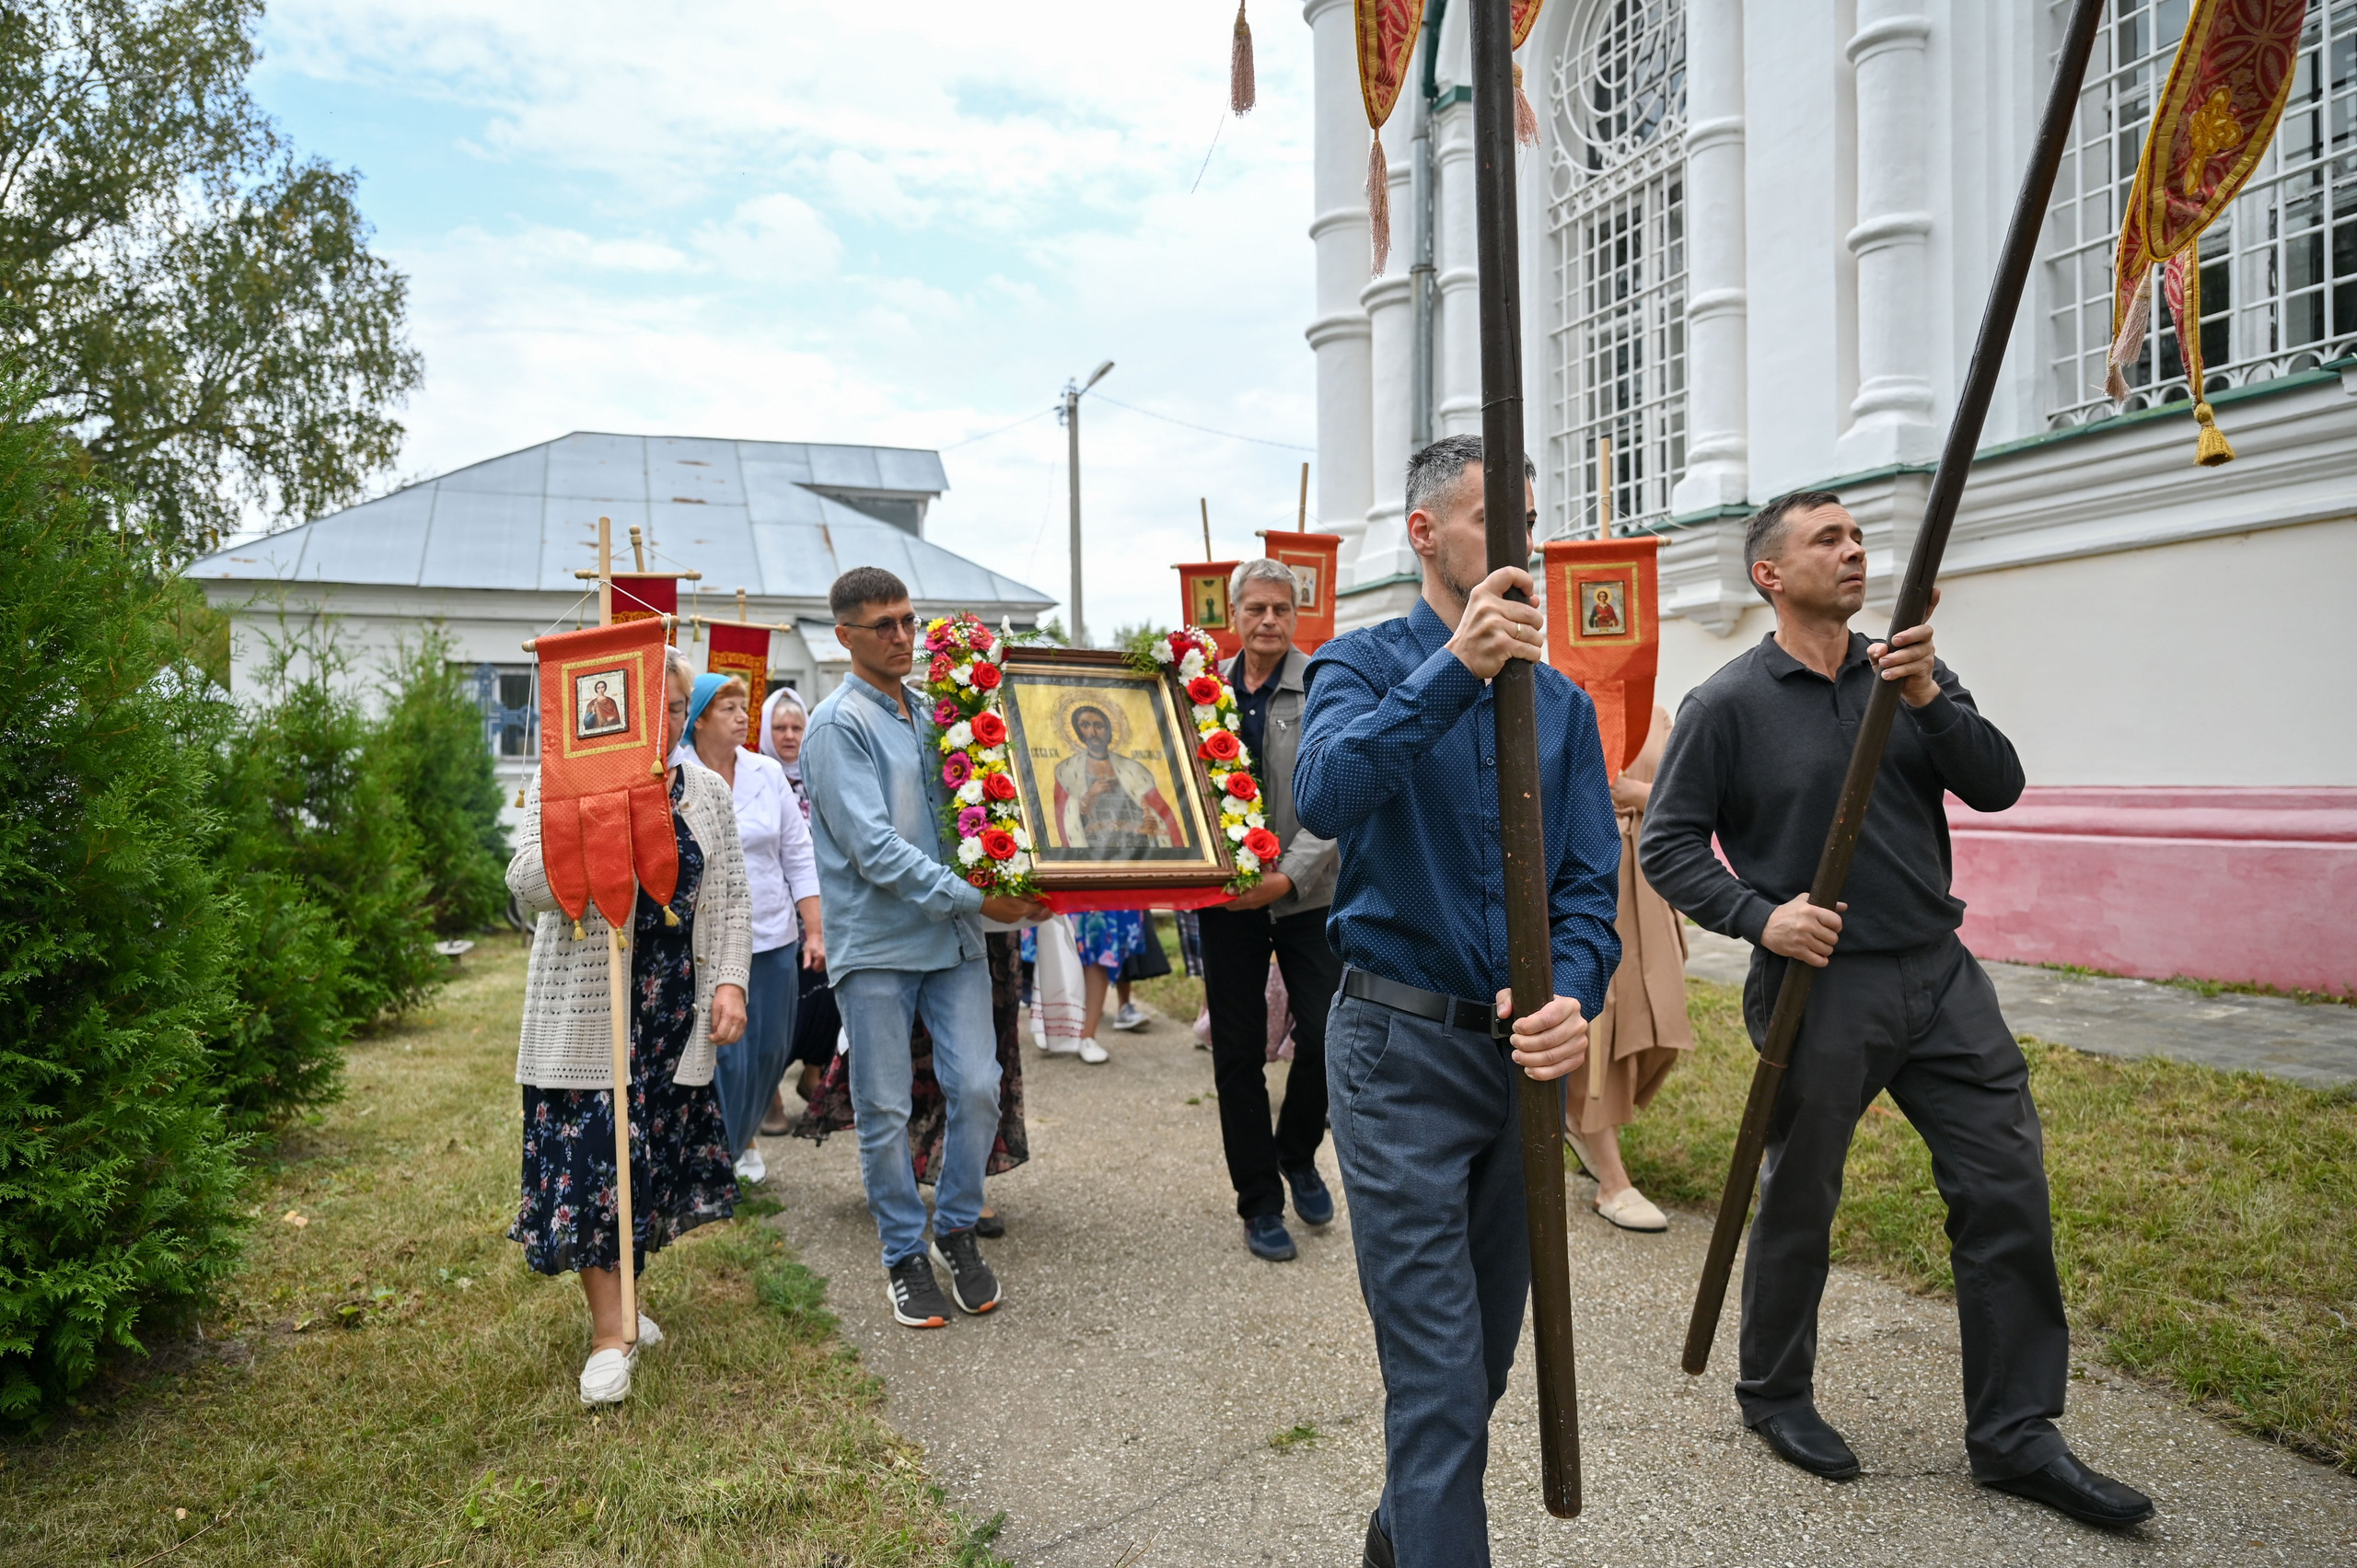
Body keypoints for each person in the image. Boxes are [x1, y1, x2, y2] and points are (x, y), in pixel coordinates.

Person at [1638, 490, 2153, 1526]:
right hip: (1818, 988)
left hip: (1938, 971)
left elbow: (1997, 783)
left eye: (1858, 536)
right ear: (1768, 575)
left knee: (2004, 1183)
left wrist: (1927, 700)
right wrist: (1757, 916)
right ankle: (1775, 1393)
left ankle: (2016, 1434)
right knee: (1800, 1196)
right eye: (1826, 539)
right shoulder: (1727, 703)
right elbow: (1669, 844)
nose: (1854, 550)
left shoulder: (1905, 669)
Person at [1295, 435, 1619, 1568]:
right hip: (1395, 1053)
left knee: (1478, 1366)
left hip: (1518, 1069)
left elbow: (1586, 893)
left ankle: (1399, 1541)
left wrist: (1574, 992)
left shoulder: (1565, 706)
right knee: (1435, 1378)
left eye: (1532, 518)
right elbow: (1327, 794)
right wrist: (1457, 671)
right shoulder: (1364, 659)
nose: (1521, 542)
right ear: (1427, 533)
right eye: (1494, 518)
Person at [800, 566, 1049, 1329]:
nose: (903, 637)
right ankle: (904, 1253)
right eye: (884, 626)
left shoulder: (940, 711)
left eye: (909, 620)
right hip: (876, 945)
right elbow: (874, 850)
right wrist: (981, 897)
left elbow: (986, 800)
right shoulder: (836, 725)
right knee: (883, 1104)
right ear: (845, 636)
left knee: (977, 1084)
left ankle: (958, 1228)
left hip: (952, 938)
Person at [506, 645, 751, 1405]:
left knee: (642, 1166)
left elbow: (731, 896)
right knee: (594, 1167)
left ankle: (626, 1302)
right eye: (659, 707)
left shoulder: (705, 789)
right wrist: (594, 828)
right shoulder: (568, 782)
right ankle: (608, 1336)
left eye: (680, 707)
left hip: (669, 1011)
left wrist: (731, 982)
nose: (672, 720)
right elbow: (522, 883)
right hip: (589, 1020)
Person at [1195, 558, 1343, 1263]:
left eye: (1281, 609)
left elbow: (1341, 796)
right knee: (1237, 1053)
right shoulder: (1198, 694)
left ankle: (1297, 1150)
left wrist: (1287, 877)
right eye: (1255, 608)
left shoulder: (1323, 686)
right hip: (1226, 904)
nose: (1268, 621)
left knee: (1324, 1035)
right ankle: (1259, 1201)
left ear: (1296, 614)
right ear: (1234, 615)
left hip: (1307, 897)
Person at [684, 672, 823, 1188]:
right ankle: (720, 1154)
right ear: (697, 719)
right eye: (729, 709)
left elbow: (798, 853)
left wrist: (814, 930)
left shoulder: (766, 772)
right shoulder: (678, 774)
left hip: (772, 935)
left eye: (746, 708)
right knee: (725, 1056)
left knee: (769, 1052)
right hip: (706, 941)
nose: (745, 717)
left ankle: (738, 1140)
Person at [1563, 702, 1689, 1232]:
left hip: (1648, 876)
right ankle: (1611, 1179)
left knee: (1662, 1024)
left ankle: (1578, 1120)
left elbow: (1689, 796)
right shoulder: (1556, 699)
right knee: (1598, 1021)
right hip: (1584, 872)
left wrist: (1640, 796)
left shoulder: (1656, 712)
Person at [757, 687, 841, 1114]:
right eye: (779, 727)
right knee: (774, 1005)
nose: (789, 735)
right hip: (771, 913)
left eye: (796, 727)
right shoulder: (753, 776)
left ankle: (814, 1074)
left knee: (824, 994)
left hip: (819, 909)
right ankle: (768, 1093)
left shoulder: (820, 772)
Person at [1051, 706, 1182, 850]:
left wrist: (1151, 823)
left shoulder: (1134, 770)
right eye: (1085, 725)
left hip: (1140, 849)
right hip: (1095, 851)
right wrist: (1091, 795)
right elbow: (1066, 822)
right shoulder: (1067, 771)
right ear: (1078, 731)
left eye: (1099, 726)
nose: (1092, 732)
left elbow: (1162, 813)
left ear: (1108, 730)